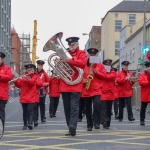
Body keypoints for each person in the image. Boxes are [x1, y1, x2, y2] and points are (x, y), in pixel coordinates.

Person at [60, 37, 87, 136]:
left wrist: (69, 60)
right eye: (69, 45)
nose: (71, 47)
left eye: (73, 45)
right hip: (65, 85)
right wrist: (61, 60)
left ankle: (73, 126)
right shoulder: (64, 53)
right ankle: (70, 127)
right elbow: (58, 64)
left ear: (77, 44)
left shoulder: (82, 53)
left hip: (76, 85)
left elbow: (83, 63)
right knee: (67, 109)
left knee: (74, 108)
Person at [83, 48, 106, 131]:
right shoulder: (84, 65)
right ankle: (89, 124)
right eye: (91, 55)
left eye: (94, 55)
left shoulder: (100, 65)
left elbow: (104, 76)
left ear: (96, 56)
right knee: (88, 108)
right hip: (87, 89)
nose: (92, 56)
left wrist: (96, 73)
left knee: (97, 105)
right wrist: (83, 80)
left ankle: (96, 122)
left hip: (97, 89)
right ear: (88, 55)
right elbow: (79, 75)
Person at [14, 64, 37, 130]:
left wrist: (24, 78)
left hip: (31, 97)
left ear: (33, 70)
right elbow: (18, 85)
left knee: (30, 110)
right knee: (25, 111)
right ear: (26, 70)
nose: (30, 71)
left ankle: (30, 123)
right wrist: (16, 81)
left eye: (31, 70)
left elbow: (31, 83)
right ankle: (25, 124)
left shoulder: (34, 76)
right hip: (24, 97)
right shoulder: (23, 76)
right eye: (28, 70)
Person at [101, 59, 117, 129]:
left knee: (109, 109)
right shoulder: (101, 71)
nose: (108, 66)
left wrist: (104, 73)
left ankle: (108, 123)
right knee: (103, 108)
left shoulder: (113, 72)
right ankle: (104, 121)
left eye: (109, 64)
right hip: (103, 92)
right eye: (106, 65)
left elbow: (110, 77)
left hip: (110, 93)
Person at [0, 52, 13, 125]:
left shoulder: (7, 68)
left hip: (2, 94)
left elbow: (9, 77)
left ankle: (1, 127)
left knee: (1, 111)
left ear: (2, 60)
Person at [138, 61, 150, 126]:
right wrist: (148, 83)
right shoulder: (142, 74)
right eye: (147, 67)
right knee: (143, 108)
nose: (148, 68)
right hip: (145, 93)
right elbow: (141, 82)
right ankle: (142, 120)